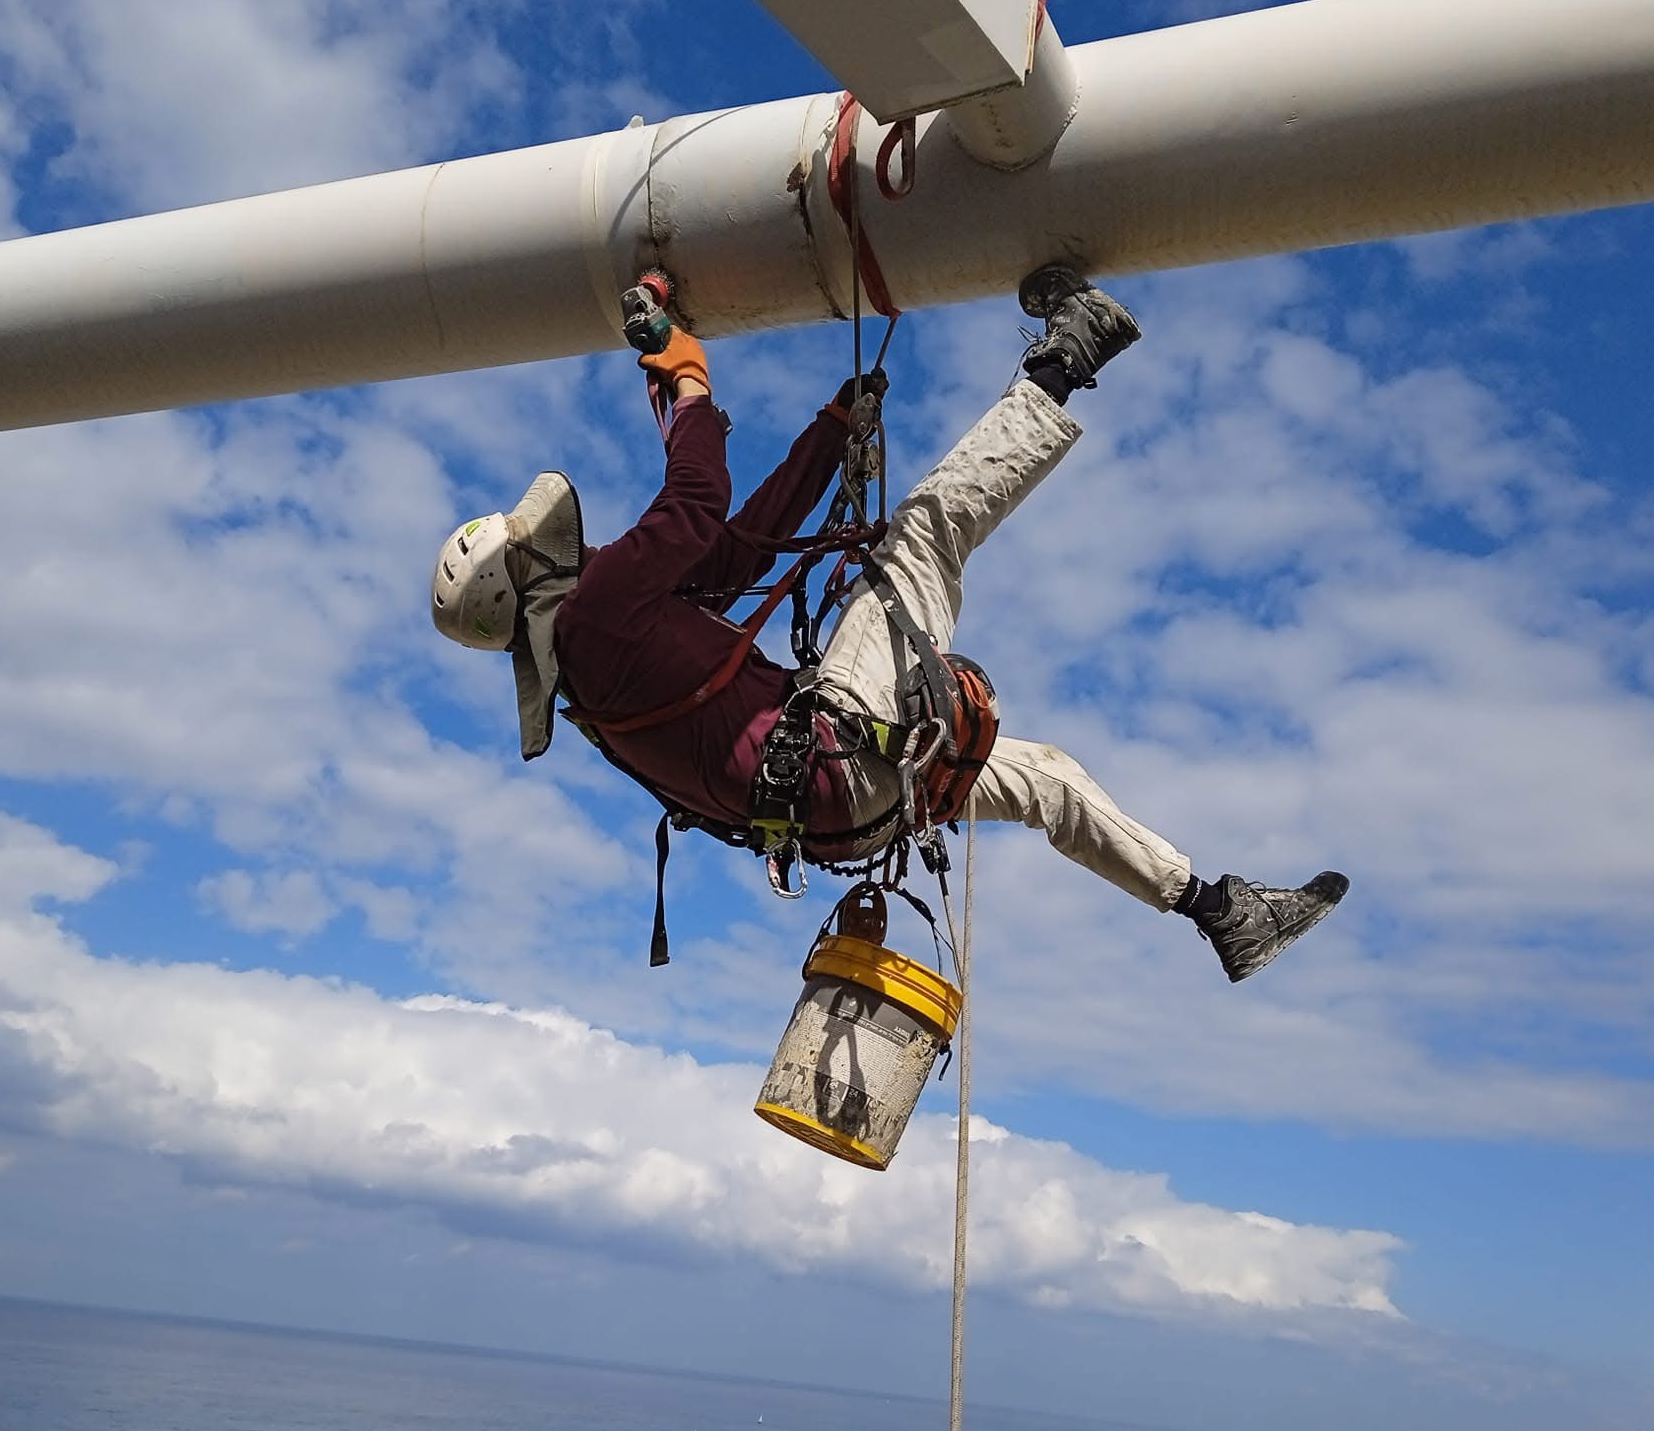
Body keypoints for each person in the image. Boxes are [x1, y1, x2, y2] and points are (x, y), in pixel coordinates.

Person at [431, 266, 1347, 982]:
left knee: (1049, 780)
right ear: (526, 582)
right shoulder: (595, 617)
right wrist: (688, 377)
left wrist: (832, 432)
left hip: (851, 807)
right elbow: (696, 499)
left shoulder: (595, 663)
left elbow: (738, 551)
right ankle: (1072, 353)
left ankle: (1219, 910)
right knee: (925, 531)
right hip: (841, 758)